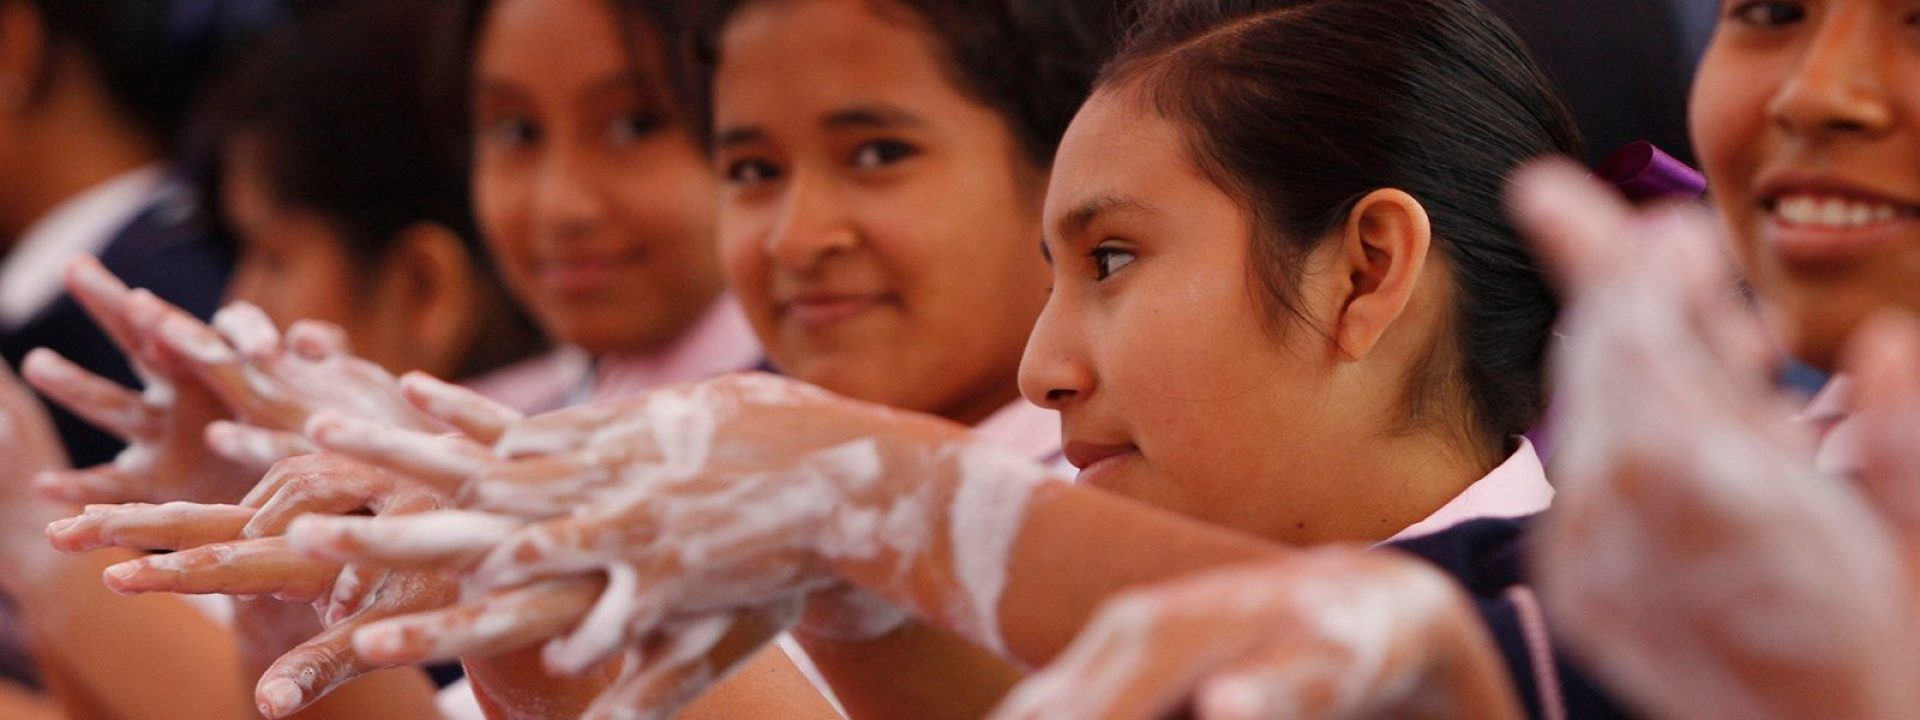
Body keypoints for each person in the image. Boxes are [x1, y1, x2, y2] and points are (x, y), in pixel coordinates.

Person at [251, 0, 1595, 716]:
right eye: (752, 167)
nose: (1043, 367)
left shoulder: (1582, 640)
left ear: (1366, 270)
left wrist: (849, 495)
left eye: (1114, 260)